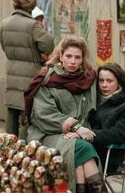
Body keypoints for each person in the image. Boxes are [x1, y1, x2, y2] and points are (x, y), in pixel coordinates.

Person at [26, 35, 108, 193]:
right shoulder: (47, 79)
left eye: (78, 57)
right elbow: (45, 115)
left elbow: (108, 90)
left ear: (82, 59)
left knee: (80, 161)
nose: (73, 61)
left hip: (79, 134)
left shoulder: (88, 78)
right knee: (84, 149)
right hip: (47, 133)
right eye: (69, 56)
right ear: (60, 56)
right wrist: (75, 127)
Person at [0, 0, 54, 138]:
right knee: (26, 112)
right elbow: (48, 45)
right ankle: (24, 150)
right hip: (30, 74)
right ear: (31, 7)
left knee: (12, 111)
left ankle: (8, 149)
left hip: (11, 72)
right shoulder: (33, 25)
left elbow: (4, 46)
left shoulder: (5, 23)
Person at [88, 63, 125, 174]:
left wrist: (87, 135)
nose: (104, 85)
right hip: (87, 148)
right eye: (101, 80)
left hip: (107, 156)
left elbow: (118, 135)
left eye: (109, 81)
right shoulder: (93, 99)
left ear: (119, 82)